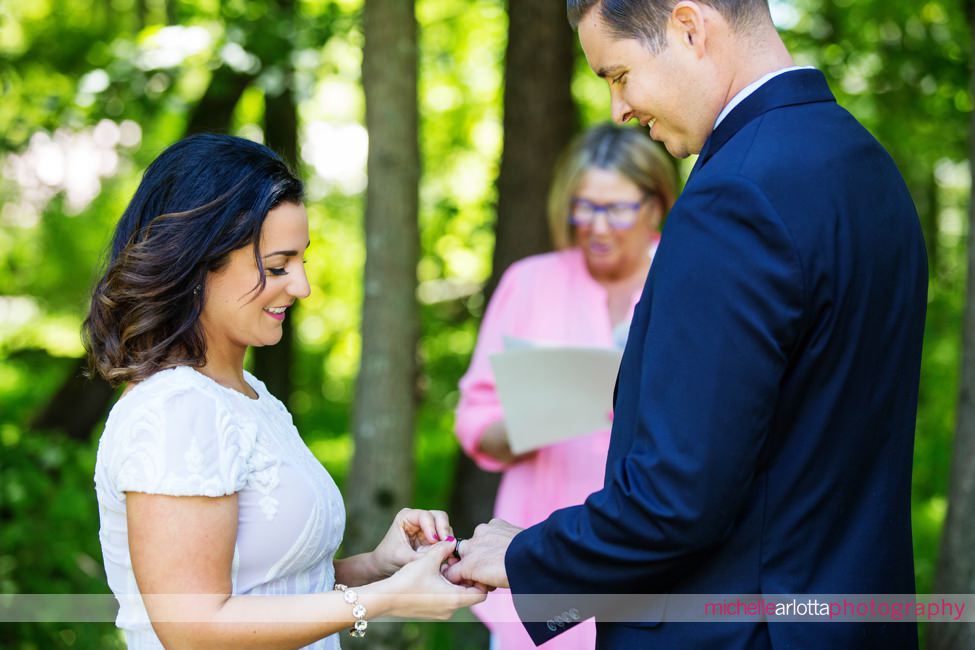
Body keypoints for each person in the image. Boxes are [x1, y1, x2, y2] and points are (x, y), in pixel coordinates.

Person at [446, 1, 927, 649]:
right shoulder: (861, 163)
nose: (618, 108)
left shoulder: (735, 195)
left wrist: (527, 557)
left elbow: (678, 497)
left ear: (688, 26)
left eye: (617, 74)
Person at [84, 133, 485, 650]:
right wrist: (382, 601)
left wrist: (379, 567)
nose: (301, 286)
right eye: (276, 267)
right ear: (195, 264)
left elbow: (272, 592)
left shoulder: (247, 395)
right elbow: (194, 628)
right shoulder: (175, 409)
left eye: (301, 261)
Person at [454, 123, 676, 649]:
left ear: (656, 203)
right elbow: (474, 417)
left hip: (648, 558)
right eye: (585, 206)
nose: (598, 227)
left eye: (617, 208)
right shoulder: (530, 282)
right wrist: (528, 422)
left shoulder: (686, 275)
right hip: (535, 558)